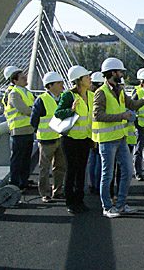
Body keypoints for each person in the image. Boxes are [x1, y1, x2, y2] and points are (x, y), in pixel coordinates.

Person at [93, 57, 144, 218]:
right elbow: (97, 115)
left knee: (127, 170)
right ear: (112, 73)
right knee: (108, 174)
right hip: (107, 140)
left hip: (120, 138)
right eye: (120, 72)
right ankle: (107, 207)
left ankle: (121, 204)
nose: (122, 74)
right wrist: (121, 116)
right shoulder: (101, 92)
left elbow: (131, 105)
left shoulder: (119, 90)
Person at [55, 65, 95, 214]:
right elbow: (58, 113)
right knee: (72, 170)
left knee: (81, 171)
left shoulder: (91, 96)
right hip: (70, 140)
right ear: (79, 80)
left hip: (85, 139)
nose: (90, 78)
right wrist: (70, 110)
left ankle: (80, 200)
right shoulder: (68, 96)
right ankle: (70, 202)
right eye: (87, 77)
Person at [30, 71, 67, 203]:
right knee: (44, 168)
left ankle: (58, 191)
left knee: (60, 167)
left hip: (61, 138)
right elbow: (33, 120)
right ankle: (45, 193)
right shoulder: (42, 100)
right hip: (46, 140)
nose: (62, 85)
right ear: (50, 85)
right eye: (59, 83)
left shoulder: (63, 97)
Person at [2, 66, 35, 191]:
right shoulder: (14, 93)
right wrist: (34, 110)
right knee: (18, 158)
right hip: (19, 129)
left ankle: (23, 181)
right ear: (15, 80)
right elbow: (25, 110)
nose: (26, 78)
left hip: (28, 129)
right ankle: (14, 183)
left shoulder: (26, 91)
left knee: (26, 157)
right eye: (22, 77)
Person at [86, 71, 105, 194]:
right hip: (99, 131)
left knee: (92, 159)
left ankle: (92, 184)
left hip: (88, 131)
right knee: (99, 159)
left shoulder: (87, 95)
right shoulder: (99, 96)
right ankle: (98, 185)